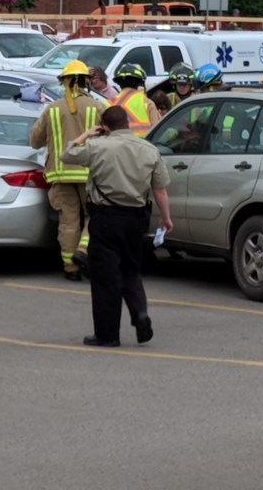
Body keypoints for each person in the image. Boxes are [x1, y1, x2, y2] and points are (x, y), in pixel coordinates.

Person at [61, 105, 173, 347]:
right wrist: (166, 219)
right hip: (136, 219)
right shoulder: (149, 149)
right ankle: (140, 314)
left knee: (105, 277)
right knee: (131, 271)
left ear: (105, 127)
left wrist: (86, 135)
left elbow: (67, 155)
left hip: (105, 218)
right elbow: (160, 190)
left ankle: (107, 334)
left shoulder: (96, 146)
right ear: (128, 124)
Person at [28, 60, 108, 281]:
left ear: (63, 82)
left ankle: (70, 267)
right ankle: (84, 251)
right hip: (90, 175)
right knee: (96, 216)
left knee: (68, 221)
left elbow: (34, 140)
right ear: (86, 82)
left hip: (60, 175)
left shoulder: (52, 109)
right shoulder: (99, 107)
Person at [108, 63, 160, 136]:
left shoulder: (108, 103)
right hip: (142, 145)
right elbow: (157, 131)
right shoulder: (147, 102)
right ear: (140, 82)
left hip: (115, 146)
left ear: (119, 83)